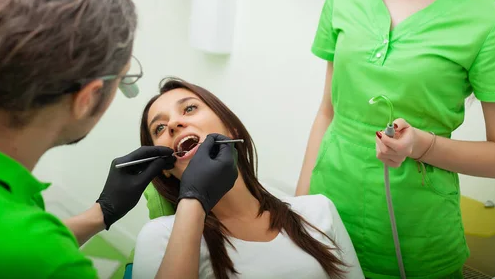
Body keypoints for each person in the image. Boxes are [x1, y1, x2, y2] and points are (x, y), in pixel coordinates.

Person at [0, 0, 238, 279]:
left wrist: (101, 213)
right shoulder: (47, 259)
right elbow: (26, 255)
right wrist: (193, 204)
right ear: (87, 98)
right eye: (124, 81)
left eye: (190, 109)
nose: (176, 125)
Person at [295, 0, 495, 278]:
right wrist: (299, 209)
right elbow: (326, 114)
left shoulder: (489, 23)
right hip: (327, 215)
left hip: (416, 236)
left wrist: (422, 145)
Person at [133, 78, 364, 279]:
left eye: (190, 108)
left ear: (231, 128)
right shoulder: (158, 236)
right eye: (160, 127)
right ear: (164, 167)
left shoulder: (318, 211)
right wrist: (194, 198)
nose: (173, 124)